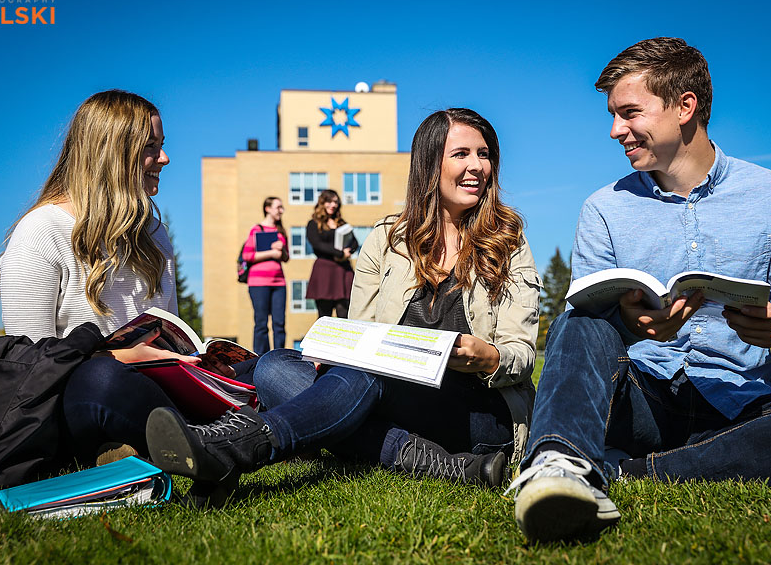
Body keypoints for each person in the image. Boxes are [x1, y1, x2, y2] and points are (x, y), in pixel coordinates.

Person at [505, 37, 771, 544]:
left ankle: (628, 471)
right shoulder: (603, 208)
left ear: (685, 107)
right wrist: (630, 323)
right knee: (578, 318)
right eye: (613, 115)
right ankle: (558, 467)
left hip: (738, 401)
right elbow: (588, 328)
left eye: (629, 113)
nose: (616, 130)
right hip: (641, 397)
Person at [145, 108, 541, 490]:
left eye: (484, 154)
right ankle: (436, 463)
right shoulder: (387, 238)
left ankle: (239, 445)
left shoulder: (508, 241)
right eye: (461, 154)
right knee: (274, 368)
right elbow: (360, 335)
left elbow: (521, 354)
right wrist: (334, 355)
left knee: (367, 371)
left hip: (479, 411)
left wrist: (489, 358)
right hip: (396, 398)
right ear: (429, 164)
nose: (477, 166)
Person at [0, 90, 244, 467]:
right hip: (81, 398)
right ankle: (235, 435)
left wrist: (198, 363)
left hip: (156, 387)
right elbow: (33, 371)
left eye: (162, 145)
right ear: (112, 153)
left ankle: (220, 436)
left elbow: (172, 335)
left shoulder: (154, 235)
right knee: (102, 378)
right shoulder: (41, 231)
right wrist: (122, 357)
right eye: (150, 147)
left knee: (274, 364)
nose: (164, 158)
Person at [242, 196, 289, 354]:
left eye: (282, 207)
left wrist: (281, 250)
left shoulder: (281, 232)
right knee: (261, 323)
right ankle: (261, 358)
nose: (281, 210)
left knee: (279, 323)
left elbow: (286, 257)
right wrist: (271, 253)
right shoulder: (256, 230)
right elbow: (247, 255)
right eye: (278, 207)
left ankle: (280, 356)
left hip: (279, 283)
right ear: (267, 209)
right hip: (258, 283)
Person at [305, 189, 359, 318]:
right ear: (322, 203)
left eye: (335, 202)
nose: (333, 205)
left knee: (344, 314)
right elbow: (317, 244)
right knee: (324, 315)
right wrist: (339, 253)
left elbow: (354, 242)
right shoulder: (313, 224)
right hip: (324, 271)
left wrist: (348, 252)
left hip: (343, 271)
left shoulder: (342, 223)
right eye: (329, 202)